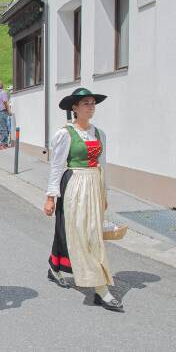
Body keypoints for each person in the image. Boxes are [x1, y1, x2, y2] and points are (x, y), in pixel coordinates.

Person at [44, 88, 122, 312]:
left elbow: (102, 164)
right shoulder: (65, 134)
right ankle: (100, 289)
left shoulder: (99, 133)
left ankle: (55, 266)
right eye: (85, 103)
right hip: (74, 185)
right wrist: (50, 197)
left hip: (93, 184)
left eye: (92, 103)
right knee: (79, 233)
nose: (90, 107)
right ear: (74, 109)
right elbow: (57, 167)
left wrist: (104, 193)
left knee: (90, 234)